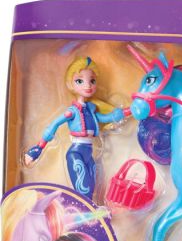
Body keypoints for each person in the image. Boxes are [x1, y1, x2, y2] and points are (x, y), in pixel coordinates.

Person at [24, 56, 130, 199]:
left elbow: (105, 118)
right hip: (76, 153)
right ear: (71, 84)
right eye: (80, 81)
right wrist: (37, 149)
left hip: (89, 155)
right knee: (84, 191)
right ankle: (85, 210)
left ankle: (90, 210)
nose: (88, 85)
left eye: (92, 81)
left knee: (91, 190)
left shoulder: (91, 110)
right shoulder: (72, 112)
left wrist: (125, 112)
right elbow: (54, 125)